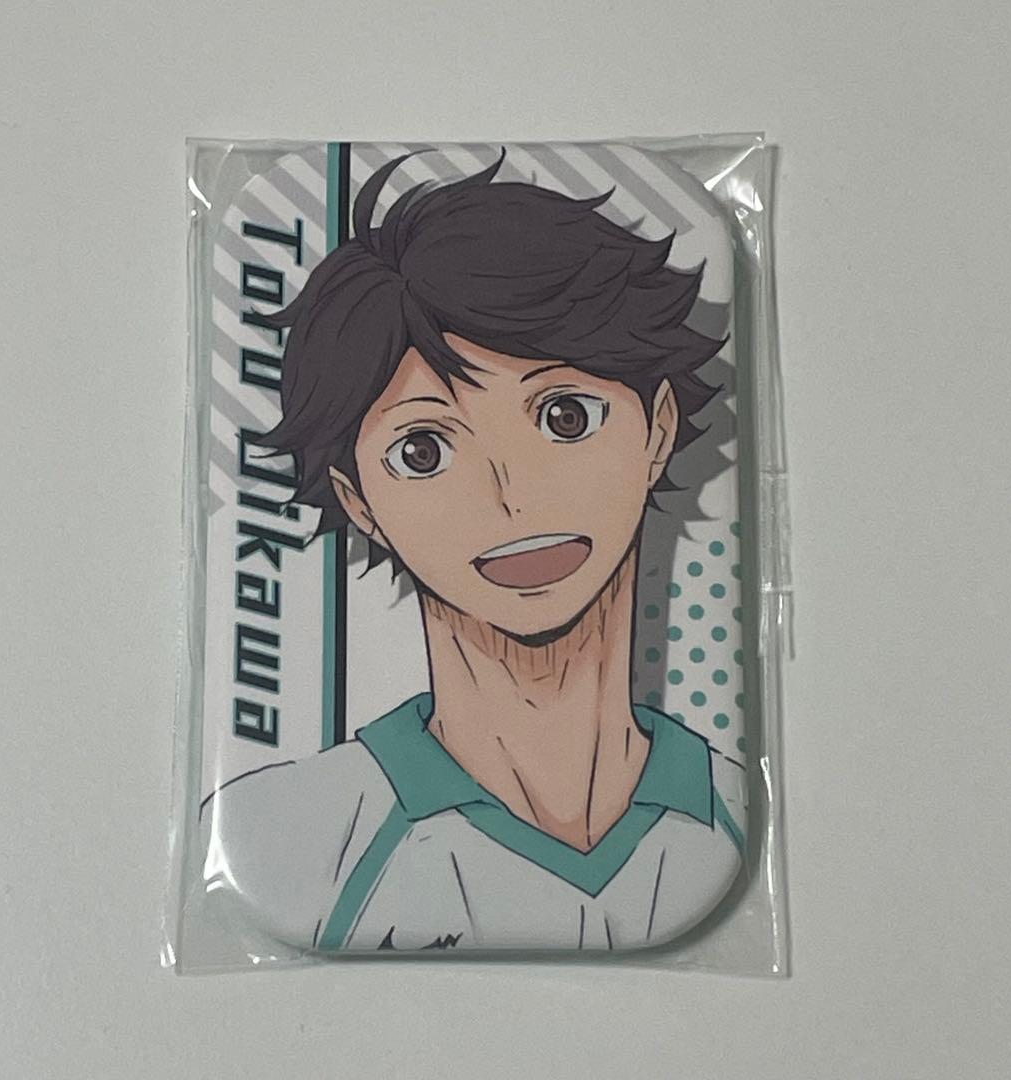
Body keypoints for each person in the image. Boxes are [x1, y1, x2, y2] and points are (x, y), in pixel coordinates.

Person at [202, 150, 745, 952]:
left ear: (658, 428)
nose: (510, 495)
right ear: (359, 501)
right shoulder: (283, 838)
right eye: (423, 451)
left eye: (565, 417)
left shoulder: (732, 815)